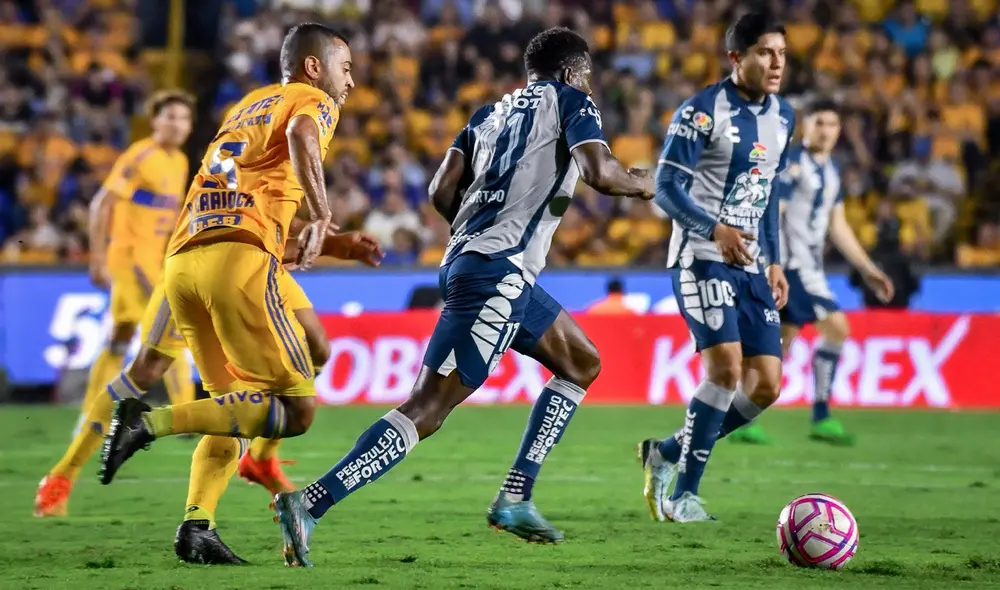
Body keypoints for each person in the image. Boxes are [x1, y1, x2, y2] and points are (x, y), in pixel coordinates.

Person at [271, 27, 654, 567]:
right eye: (585, 74)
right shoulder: (574, 101)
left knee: (582, 361)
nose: (587, 83)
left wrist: (477, 232)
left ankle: (516, 495)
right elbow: (599, 173)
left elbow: (439, 191)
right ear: (572, 72)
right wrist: (643, 183)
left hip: (493, 268)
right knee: (426, 409)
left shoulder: (487, 116)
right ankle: (310, 502)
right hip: (496, 272)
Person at [97, 24, 374, 561]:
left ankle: (196, 526)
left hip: (186, 262)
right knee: (296, 412)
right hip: (238, 264)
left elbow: (247, 202)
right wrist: (322, 213)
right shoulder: (311, 100)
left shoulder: (246, 107)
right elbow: (300, 140)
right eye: (345, 69)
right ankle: (146, 422)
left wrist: (332, 242)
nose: (352, 81)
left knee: (242, 400)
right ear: (315, 67)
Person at [637, 11, 794, 523]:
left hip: (751, 265)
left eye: (782, 54)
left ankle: (664, 450)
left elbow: (764, 194)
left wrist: (775, 262)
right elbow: (666, 188)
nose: (776, 63)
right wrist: (715, 230)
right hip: (700, 257)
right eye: (765, 53)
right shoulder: (701, 112)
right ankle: (683, 494)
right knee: (726, 370)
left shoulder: (784, 118)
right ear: (736, 58)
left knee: (767, 384)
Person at [34, 90, 195, 518]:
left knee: (122, 337)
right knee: (165, 337)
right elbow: (102, 202)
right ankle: (182, 415)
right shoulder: (141, 156)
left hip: (153, 261)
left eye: (183, 118)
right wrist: (97, 257)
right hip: (130, 262)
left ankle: (92, 412)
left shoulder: (179, 163)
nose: (177, 124)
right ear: (155, 121)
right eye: (170, 117)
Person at [727, 99, 894, 447]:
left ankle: (741, 417)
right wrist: (768, 259)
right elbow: (774, 209)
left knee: (780, 346)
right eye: (819, 123)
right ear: (806, 126)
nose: (825, 130)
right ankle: (819, 415)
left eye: (832, 125)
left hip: (809, 270)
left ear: (839, 131)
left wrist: (868, 269)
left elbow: (839, 226)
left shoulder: (831, 171)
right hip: (791, 268)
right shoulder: (793, 165)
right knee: (836, 328)